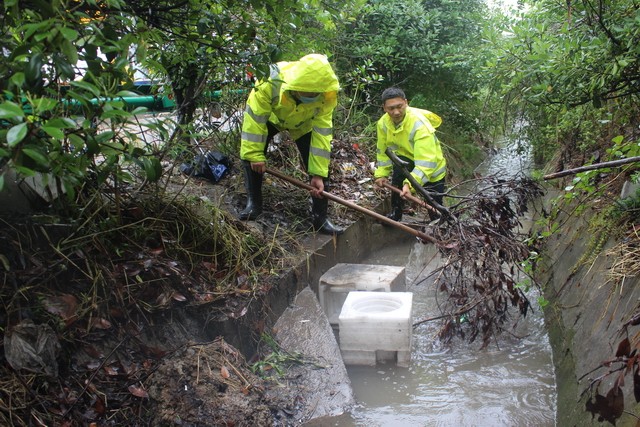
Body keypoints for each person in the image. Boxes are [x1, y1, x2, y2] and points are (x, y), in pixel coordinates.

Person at [238, 53, 343, 235]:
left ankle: (320, 218)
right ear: (295, 86)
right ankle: (254, 204)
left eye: (315, 93)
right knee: (251, 153)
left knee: (320, 165)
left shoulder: (326, 95)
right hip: (272, 117)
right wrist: (255, 156)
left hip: (303, 123)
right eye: (307, 92)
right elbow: (254, 120)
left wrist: (317, 174)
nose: (311, 96)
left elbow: (322, 135)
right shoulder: (270, 80)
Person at [373, 87, 446, 222]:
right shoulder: (383, 124)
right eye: (391, 108)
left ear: (406, 103)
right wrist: (382, 174)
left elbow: (426, 161)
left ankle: (439, 226)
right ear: (384, 108)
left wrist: (410, 185)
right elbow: (382, 151)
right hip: (406, 162)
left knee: (434, 206)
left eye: (399, 106)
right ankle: (395, 214)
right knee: (397, 178)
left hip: (431, 170)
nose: (396, 112)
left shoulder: (419, 124)